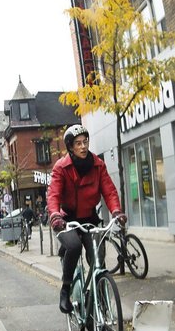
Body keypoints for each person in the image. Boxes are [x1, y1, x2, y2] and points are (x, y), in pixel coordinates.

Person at [47, 124, 125, 313]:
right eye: (78, 143)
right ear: (70, 147)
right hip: (67, 220)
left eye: (85, 142)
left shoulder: (98, 164)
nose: (83, 146)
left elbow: (109, 191)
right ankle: (65, 290)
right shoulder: (61, 167)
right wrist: (55, 215)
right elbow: (53, 194)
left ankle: (101, 310)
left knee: (98, 261)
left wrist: (116, 211)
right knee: (73, 246)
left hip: (90, 219)